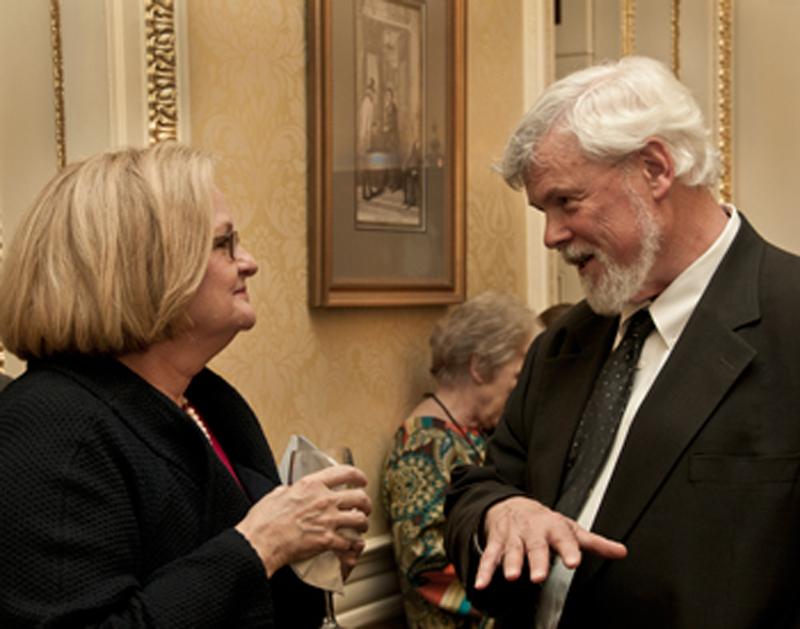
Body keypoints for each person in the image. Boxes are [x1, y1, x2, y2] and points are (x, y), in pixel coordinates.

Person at [444, 55, 800, 628]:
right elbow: (478, 489)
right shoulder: (563, 342)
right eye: (543, 210)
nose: (551, 235)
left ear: (655, 169)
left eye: (567, 201)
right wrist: (501, 511)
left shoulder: (790, 319)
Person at [0, 143, 372, 627]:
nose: (250, 261)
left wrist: (309, 556)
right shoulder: (51, 427)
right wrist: (261, 545)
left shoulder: (209, 401)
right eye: (224, 244)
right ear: (147, 267)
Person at [382, 292, 535, 628]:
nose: (521, 391)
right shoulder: (421, 444)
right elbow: (426, 564)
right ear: (480, 368)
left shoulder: (476, 433)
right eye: (516, 377)